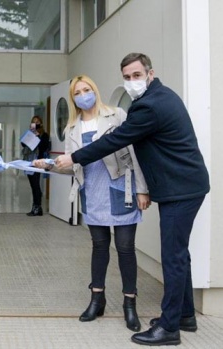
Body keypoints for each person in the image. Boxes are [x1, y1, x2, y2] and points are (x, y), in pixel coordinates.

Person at [55, 53, 210, 346]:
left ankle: (169, 328)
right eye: (126, 76)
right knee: (180, 254)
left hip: (180, 188)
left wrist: (73, 157)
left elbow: (116, 141)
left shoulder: (149, 106)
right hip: (183, 185)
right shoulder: (160, 97)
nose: (131, 81)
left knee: (173, 257)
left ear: (150, 73)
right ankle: (184, 315)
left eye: (137, 75)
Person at [35, 75, 150, 332]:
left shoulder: (117, 115)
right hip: (93, 192)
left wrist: (143, 190)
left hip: (122, 189)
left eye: (87, 90)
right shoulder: (72, 128)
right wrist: (49, 165)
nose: (83, 95)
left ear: (95, 91)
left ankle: (129, 305)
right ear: (74, 98)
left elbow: (134, 152)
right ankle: (97, 299)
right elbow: (71, 165)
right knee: (99, 246)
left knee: (125, 248)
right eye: (78, 92)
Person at [22, 116, 51, 216]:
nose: (36, 123)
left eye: (37, 122)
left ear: (41, 123)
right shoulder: (30, 133)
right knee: (33, 185)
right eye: (33, 122)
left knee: (36, 185)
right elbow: (23, 144)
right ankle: (36, 207)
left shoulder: (44, 135)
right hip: (29, 161)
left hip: (38, 162)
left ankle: (37, 207)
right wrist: (30, 135)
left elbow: (44, 146)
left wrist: (38, 137)